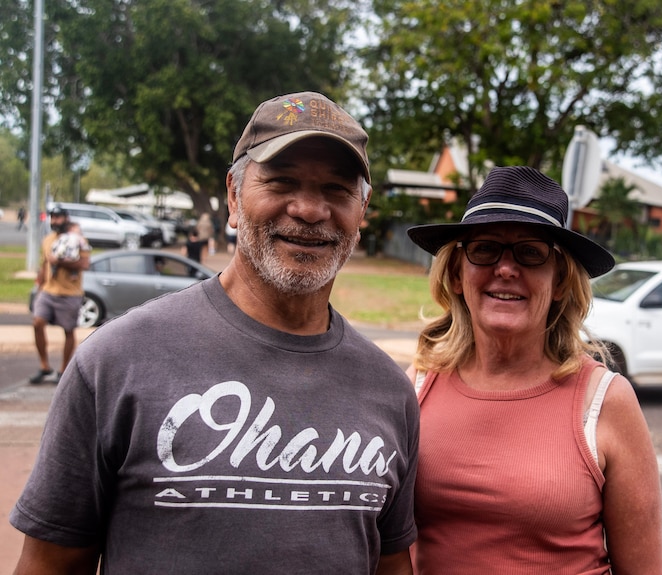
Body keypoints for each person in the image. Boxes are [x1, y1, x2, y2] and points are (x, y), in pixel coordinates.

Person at [10, 91, 420, 574]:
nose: (310, 209)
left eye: (336, 190)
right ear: (232, 194)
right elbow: (50, 564)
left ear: (361, 211)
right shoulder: (117, 361)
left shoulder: (389, 391)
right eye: (282, 181)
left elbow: (392, 565)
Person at [405, 166, 662, 575]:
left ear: (561, 280)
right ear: (458, 273)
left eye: (531, 253)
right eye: (485, 249)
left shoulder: (605, 402)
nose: (506, 269)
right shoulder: (417, 386)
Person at [28, 207, 91, 384]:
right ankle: (44, 366)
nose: (55, 221)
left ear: (66, 219)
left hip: (70, 293)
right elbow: (44, 265)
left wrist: (61, 261)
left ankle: (63, 370)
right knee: (37, 322)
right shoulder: (48, 240)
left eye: (58, 218)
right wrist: (38, 285)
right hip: (48, 291)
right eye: (53, 218)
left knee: (68, 330)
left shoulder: (79, 240)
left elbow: (85, 264)